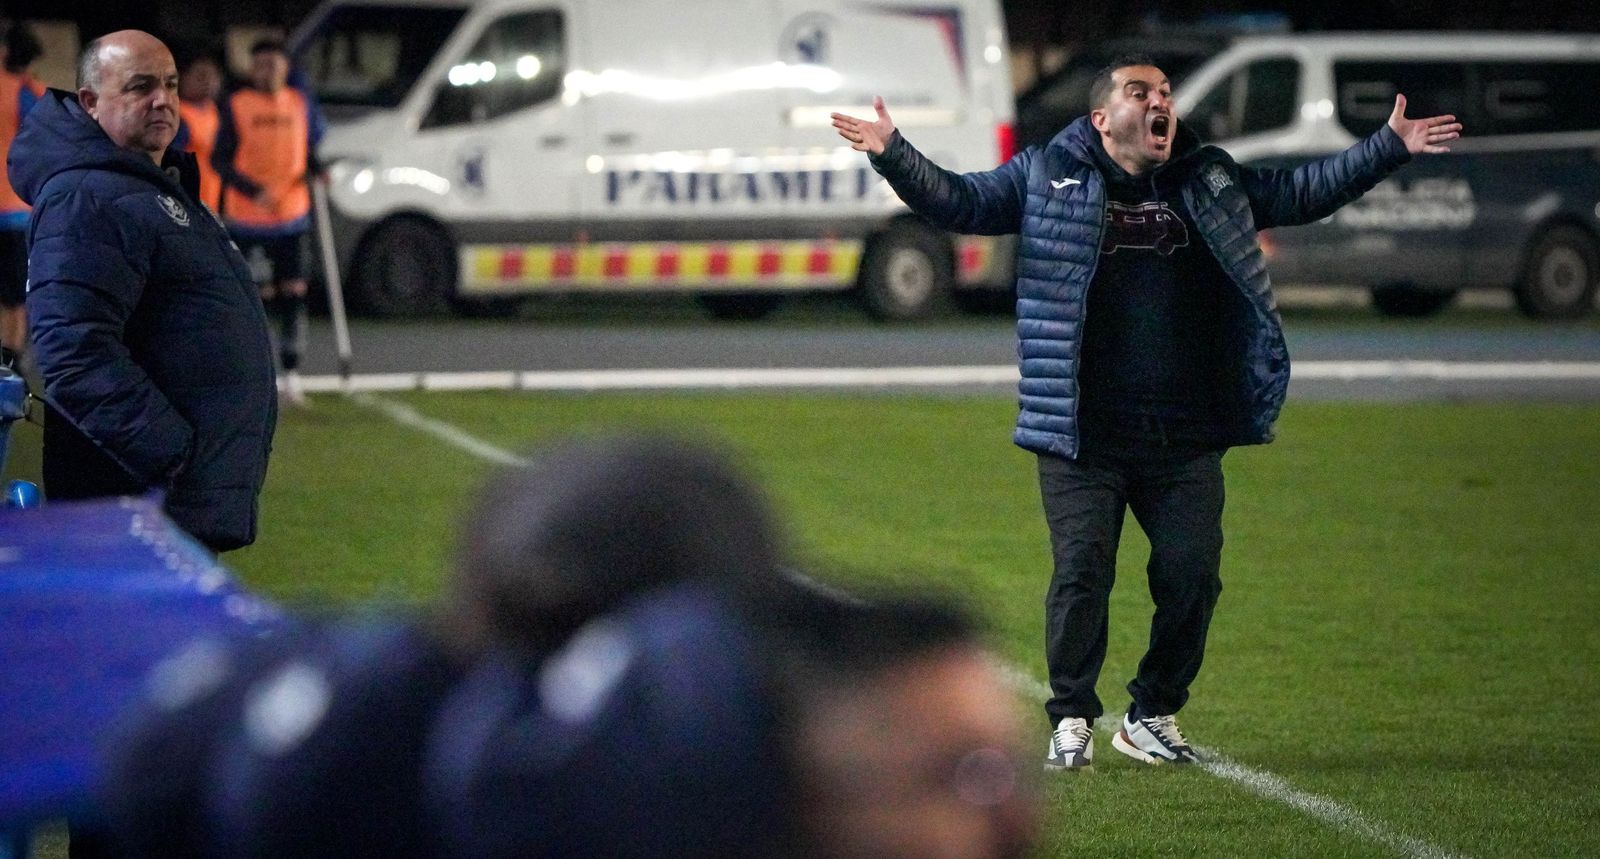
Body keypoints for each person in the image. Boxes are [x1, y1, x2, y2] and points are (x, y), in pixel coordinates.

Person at [831, 54, 1461, 769]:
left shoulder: (1208, 176)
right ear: (1103, 118)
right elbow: (961, 202)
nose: (1160, 101)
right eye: (1141, 92)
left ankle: (1151, 713)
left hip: (1184, 433)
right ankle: (1071, 715)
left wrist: (1387, 145)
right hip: (1081, 431)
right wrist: (893, 152)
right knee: (1082, 574)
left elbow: (1300, 192)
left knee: (1193, 576)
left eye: (1165, 91)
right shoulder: (1047, 173)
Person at [7, 30, 277, 553]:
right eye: (140, 86)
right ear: (91, 102)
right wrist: (173, 456)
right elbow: (73, 350)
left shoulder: (146, 184)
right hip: (135, 498)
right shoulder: (86, 194)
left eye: (171, 85)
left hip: (164, 496)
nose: (163, 100)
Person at [213, 39, 325, 407]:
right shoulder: (237, 105)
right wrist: (251, 190)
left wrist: (318, 170)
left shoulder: (300, 102)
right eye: (260, 65)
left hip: (293, 217)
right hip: (248, 220)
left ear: (285, 68)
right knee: (253, 300)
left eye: (274, 65)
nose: (267, 72)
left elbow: (309, 149)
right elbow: (219, 160)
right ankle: (252, 374)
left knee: (294, 293)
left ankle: (291, 374)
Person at [0, 21, 45, 364]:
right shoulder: (32, 94)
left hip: (13, 210)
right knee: (15, 297)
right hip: (17, 209)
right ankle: (11, 361)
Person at [174, 50, 224, 211]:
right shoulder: (177, 117)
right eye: (201, 76)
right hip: (185, 205)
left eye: (214, 76)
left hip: (210, 202)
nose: (209, 82)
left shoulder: (213, 110)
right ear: (183, 79)